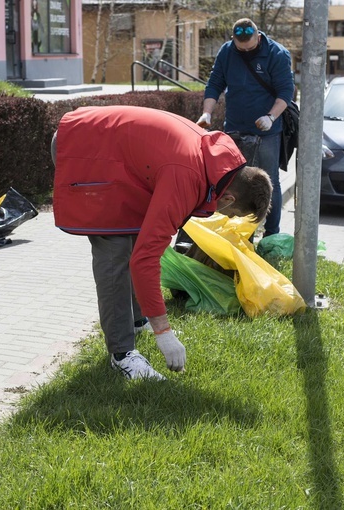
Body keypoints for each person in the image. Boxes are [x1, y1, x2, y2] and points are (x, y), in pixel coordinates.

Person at [52, 105, 272, 380]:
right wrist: (163, 331)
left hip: (108, 146)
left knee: (132, 238)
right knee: (115, 252)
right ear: (228, 200)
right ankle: (122, 355)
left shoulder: (221, 162)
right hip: (83, 146)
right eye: (231, 214)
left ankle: (135, 321)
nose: (224, 216)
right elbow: (145, 261)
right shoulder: (186, 177)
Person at [197, 18, 294, 238]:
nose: (246, 52)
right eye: (242, 49)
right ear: (233, 40)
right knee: (236, 183)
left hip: (267, 131)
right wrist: (207, 113)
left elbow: (285, 93)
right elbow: (214, 84)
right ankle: (241, 234)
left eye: (250, 47)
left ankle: (271, 234)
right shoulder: (227, 51)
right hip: (235, 128)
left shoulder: (277, 54)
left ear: (258, 37)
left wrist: (271, 116)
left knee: (270, 182)